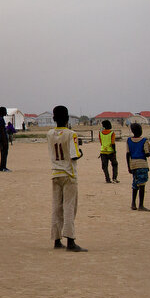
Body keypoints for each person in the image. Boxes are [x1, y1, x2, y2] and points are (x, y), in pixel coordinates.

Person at [47, 105, 85, 251]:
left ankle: (57, 240)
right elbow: (74, 155)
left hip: (56, 173)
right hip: (69, 174)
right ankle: (70, 241)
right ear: (68, 118)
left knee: (56, 207)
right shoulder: (71, 134)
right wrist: (81, 152)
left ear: (54, 118)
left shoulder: (50, 134)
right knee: (69, 207)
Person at [126, 122, 150, 211]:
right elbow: (146, 153)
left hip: (133, 164)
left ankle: (133, 203)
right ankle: (141, 205)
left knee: (135, 184)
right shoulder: (144, 140)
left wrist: (129, 166)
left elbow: (128, 154)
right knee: (142, 185)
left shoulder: (129, 140)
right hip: (142, 164)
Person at [0, 106, 11, 172]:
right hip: (2, 139)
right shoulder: (1, 119)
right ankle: (3, 167)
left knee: (3, 153)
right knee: (4, 153)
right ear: (2, 112)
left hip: (0, 139)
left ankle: (2, 167)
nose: (6, 112)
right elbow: (2, 130)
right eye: (5, 111)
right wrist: (4, 140)